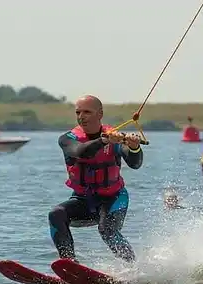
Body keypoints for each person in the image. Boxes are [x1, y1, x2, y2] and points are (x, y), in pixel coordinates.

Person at [48, 95, 144, 263]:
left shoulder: (115, 138)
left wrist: (134, 148)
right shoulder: (67, 139)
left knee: (106, 229)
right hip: (83, 200)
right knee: (56, 214)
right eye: (78, 112)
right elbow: (81, 152)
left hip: (114, 199)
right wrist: (103, 140)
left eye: (87, 112)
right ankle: (69, 263)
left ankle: (133, 266)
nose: (81, 116)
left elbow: (135, 164)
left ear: (100, 114)